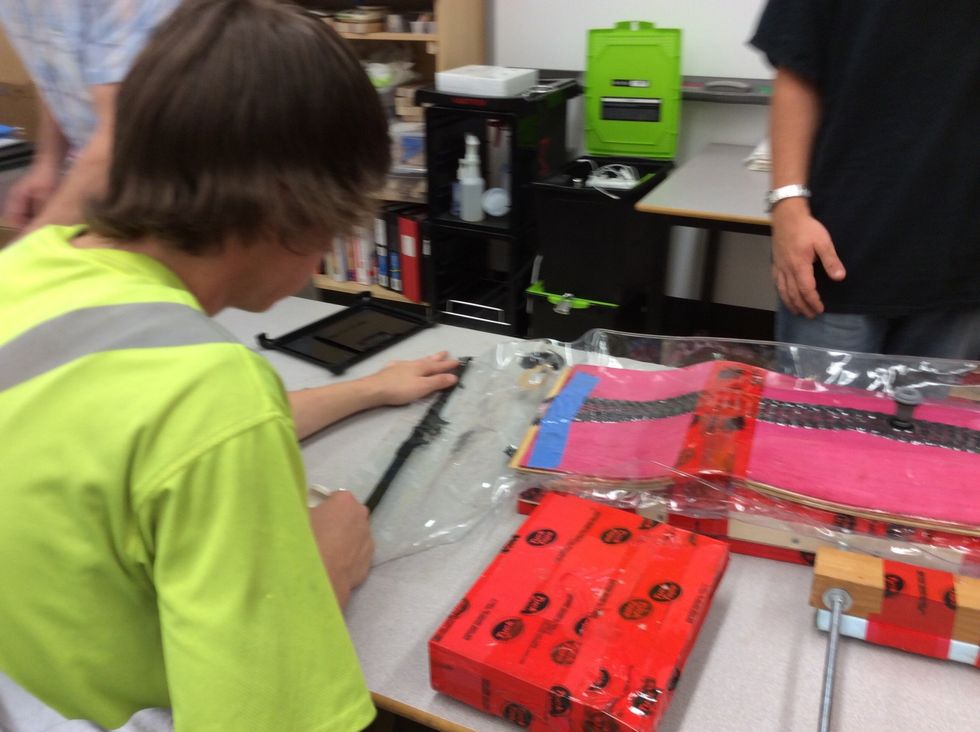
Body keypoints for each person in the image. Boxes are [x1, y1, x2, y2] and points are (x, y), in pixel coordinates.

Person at [0, 1, 459, 730]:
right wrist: (323, 575)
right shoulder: (209, 396)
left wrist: (370, 389)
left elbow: (146, 438)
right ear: (293, 211)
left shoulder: (31, 267)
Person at [750, 0, 980, 359]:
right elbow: (797, 68)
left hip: (961, 258)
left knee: (924, 414)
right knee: (820, 414)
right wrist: (788, 206)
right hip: (839, 248)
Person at [0, 0, 181, 233]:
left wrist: (32, 248)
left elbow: (120, 135)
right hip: (110, 166)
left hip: (186, 180)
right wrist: (49, 162)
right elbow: (57, 70)